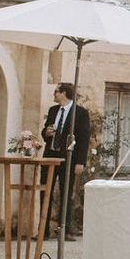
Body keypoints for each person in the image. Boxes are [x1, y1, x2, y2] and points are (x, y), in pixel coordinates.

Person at [42, 82, 92, 238]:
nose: (54, 94)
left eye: (56, 92)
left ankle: (64, 229)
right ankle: (43, 230)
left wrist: (80, 162)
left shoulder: (80, 113)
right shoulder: (53, 110)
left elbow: (84, 139)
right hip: (50, 155)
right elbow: (45, 132)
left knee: (66, 192)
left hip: (69, 158)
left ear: (64, 93)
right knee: (45, 190)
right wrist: (47, 133)